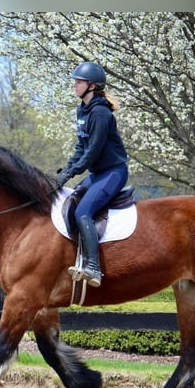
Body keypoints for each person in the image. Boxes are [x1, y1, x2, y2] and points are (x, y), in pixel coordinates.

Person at [55, 61, 129, 288]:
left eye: (79, 82)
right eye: (75, 81)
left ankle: (94, 268)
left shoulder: (100, 113)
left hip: (113, 173)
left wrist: (73, 172)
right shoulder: (83, 110)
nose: (75, 85)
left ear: (92, 86)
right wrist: (67, 170)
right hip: (98, 173)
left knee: (84, 211)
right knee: (72, 200)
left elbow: (93, 150)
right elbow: (81, 146)